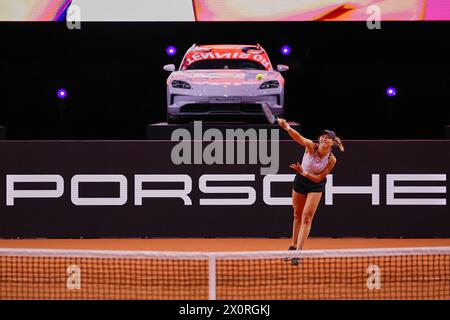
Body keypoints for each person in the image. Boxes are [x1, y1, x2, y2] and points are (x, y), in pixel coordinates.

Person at [277, 118, 344, 265]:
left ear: (332, 143)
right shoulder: (310, 147)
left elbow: (319, 177)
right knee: (297, 215)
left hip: (316, 184)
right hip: (300, 182)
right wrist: (287, 127)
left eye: (328, 138)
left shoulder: (331, 160)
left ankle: (299, 253)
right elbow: (299, 138)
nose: (324, 138)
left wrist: (303, 172)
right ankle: (293, 246)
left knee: (307, 218)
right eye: (323, 136)